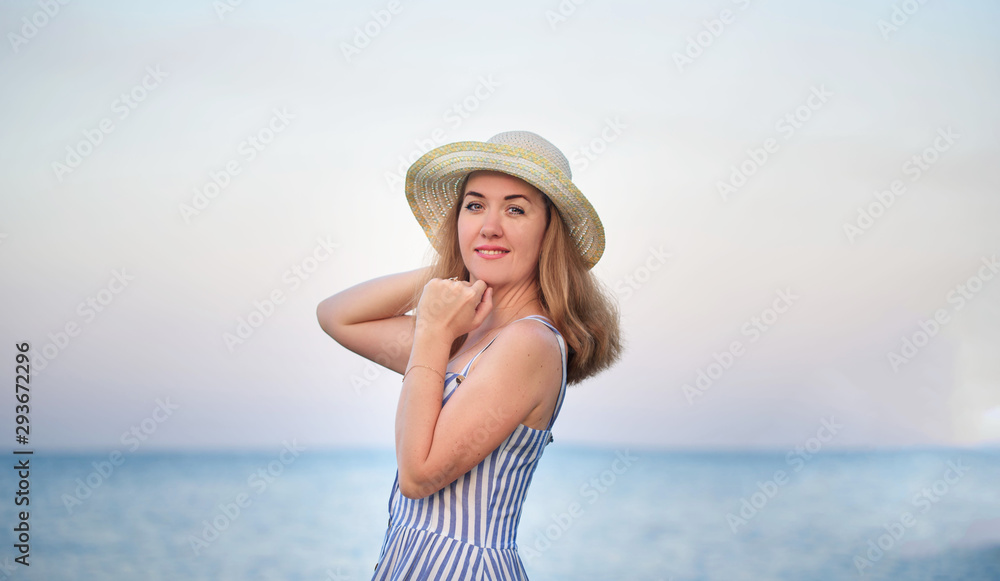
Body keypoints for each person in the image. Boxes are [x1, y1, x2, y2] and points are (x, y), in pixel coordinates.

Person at [317, 130, 623, 579]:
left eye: (515, 209)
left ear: (549, 233)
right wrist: (455, 267)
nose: (490, 225)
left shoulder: (528, 343)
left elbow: (418, 476)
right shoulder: (463, 338)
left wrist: (434, 334)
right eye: (475, 206)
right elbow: (336, 315)